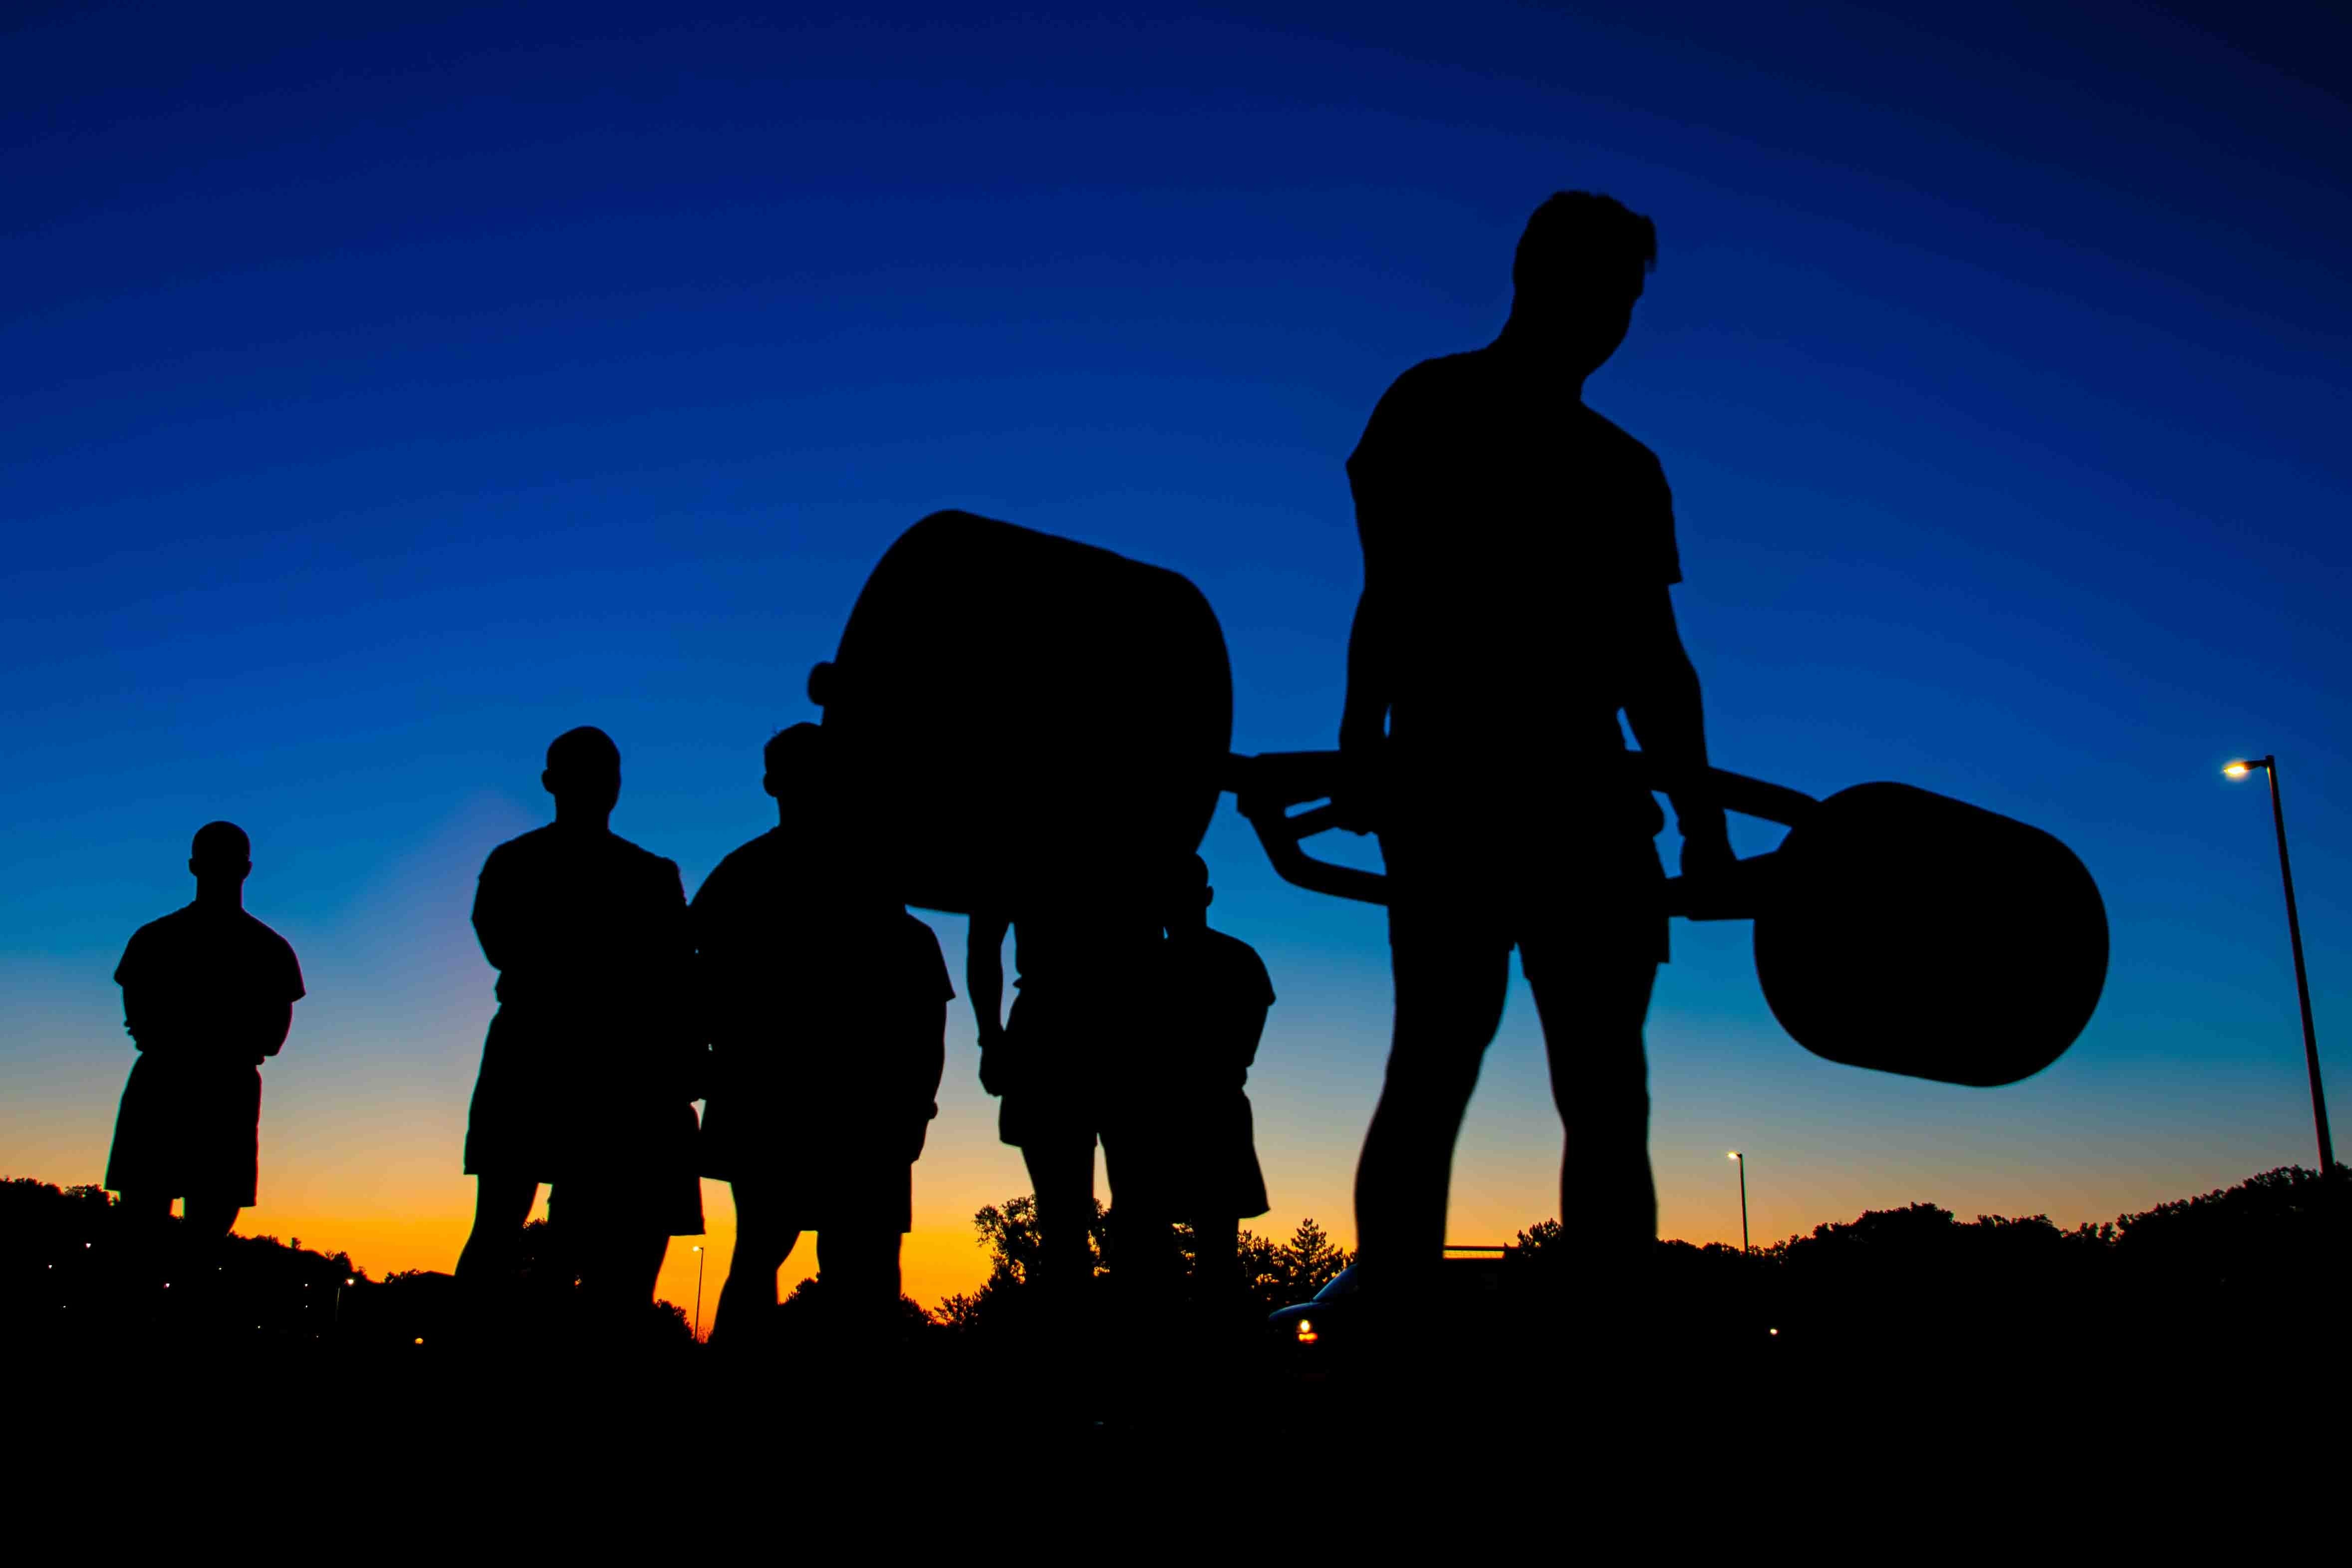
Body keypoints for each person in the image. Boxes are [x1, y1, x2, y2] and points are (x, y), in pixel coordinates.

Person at [1338, 192, 1733, 1303]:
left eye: (1624, 299)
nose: (1610, 318)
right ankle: (1400, 1325)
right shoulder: (1430, 404)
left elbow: (1655, 661)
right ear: (1530, 275)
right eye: (1597, 289)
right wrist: (1359, 738)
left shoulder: (1622, 464)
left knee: (1605, 1091)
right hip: (1461, 784)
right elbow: (1392, 595)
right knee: (1437, 1063)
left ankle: (1605, 1337)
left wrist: (1702, 824)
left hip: (1581, 796)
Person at [695, 724, 951, 1350]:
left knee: (804, 1260)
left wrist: (916, 1102)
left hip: (833, 1106)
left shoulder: (757, 871)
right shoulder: (767, 871)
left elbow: (923, 999)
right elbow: (924, 1002)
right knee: (790, 1258)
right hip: (801, 1102)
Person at [455, 726, 702, 1336]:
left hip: (553, 1064)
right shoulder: (646, 875)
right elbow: (678, 978)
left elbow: (504, 948)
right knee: (521, 1227)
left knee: (510, 1226)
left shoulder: (516, 864)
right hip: (592, 1071)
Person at [105, 821, 304, 1306]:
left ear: (194, 865)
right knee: (197, 1240)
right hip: (221, 1088)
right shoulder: (269, 948)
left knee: (149, 1234)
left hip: (171, 1083)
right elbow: (274, 1037)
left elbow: (139, 1019)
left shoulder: (155, 939)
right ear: (248, 869)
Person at [1102, 854, 1276, 1314]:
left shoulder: (1140, 969)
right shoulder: (1238, 959)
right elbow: (1244, 1049)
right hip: (1203, 1112)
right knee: (1211, 1251)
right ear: (1206, 898)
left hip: (1167, 1117)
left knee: (1166, 1250)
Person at [968, 894, 1160, 1306]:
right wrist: (991, 1038)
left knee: (1079, 1220)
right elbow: (983, 943)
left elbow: (983, 943)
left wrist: (991, 1037)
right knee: (1103, 1217)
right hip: (1101, 1032)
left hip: (1083, 1031)